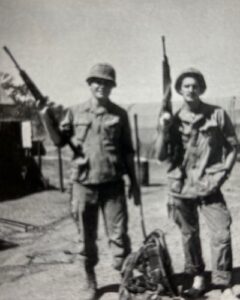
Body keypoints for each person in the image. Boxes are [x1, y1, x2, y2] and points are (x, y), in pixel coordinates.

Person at [57, 63, 140, 300]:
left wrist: (134, 183)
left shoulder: (119, 114)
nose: (101, 86)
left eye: (106, 82)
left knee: (119, 235)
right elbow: (59, 142)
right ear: (89, 84)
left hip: (113, 184)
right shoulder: (74, 112)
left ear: (112, 86)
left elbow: (128, 152)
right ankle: (90, 281)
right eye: (97, 81)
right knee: (86, 236)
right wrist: (45, 119)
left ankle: (124, 281)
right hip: (83, 185)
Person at [155, 68, 239, 300]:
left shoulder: (217, 114)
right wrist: (163, 128)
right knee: (189, 235)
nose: (191, 89)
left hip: (209, 184)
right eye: (186, 86)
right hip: (181, 187)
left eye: (195, 85)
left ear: (201, 88)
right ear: (180, 90)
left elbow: (233, 147)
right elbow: (160, 155)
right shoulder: (170, 119)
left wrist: (222, 175)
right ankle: (198, 277)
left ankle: (223, 282)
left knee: (221, 232)